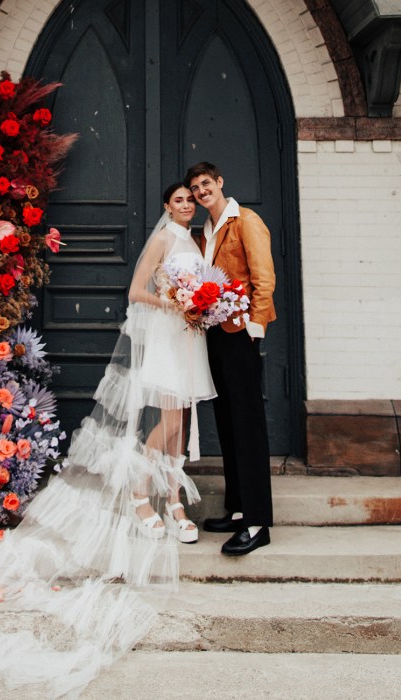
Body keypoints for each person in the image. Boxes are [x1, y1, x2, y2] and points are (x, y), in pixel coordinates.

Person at [0, 184, 215, 698]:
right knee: (168, 418)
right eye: (179, 199)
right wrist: (174, 299)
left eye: (190, 198)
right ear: (167, 205)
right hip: (165, 334)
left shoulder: (200, 240)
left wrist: (200, 303)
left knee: (183, 420)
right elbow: (137, 291)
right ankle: (144, 491)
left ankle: (174, 499)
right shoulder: (164, 240)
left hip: (189, 337)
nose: (185, 204)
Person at [184, 161, 276, 557]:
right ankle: (238, 509)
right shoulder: (204, 231)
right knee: (228, 423)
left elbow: (263, 277)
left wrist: (255, 329)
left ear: (220, 183)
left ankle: (258, 523)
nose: (202, 191)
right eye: (195, 188)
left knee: (249, 426)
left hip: (242, 336)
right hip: (216, 336)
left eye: (206, 184)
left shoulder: (246, 221)